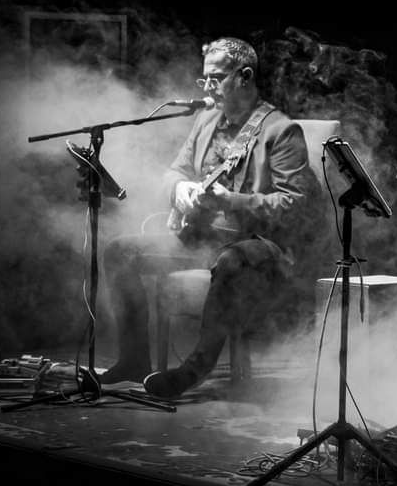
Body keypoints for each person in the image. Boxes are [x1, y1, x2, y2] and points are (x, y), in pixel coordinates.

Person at [100, 37, 329, 399]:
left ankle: (194, 369)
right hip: (202, 238)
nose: (207, 87)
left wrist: (232, 200)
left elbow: (297, 205)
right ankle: (133, 360)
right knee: (119, 251)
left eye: (216, 78)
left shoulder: (281, 130)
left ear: (245, 76)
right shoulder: (205, 121)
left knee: (230, 260)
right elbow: (174, 172)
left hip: (258, 246)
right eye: (204, 79)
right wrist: (179, 190)